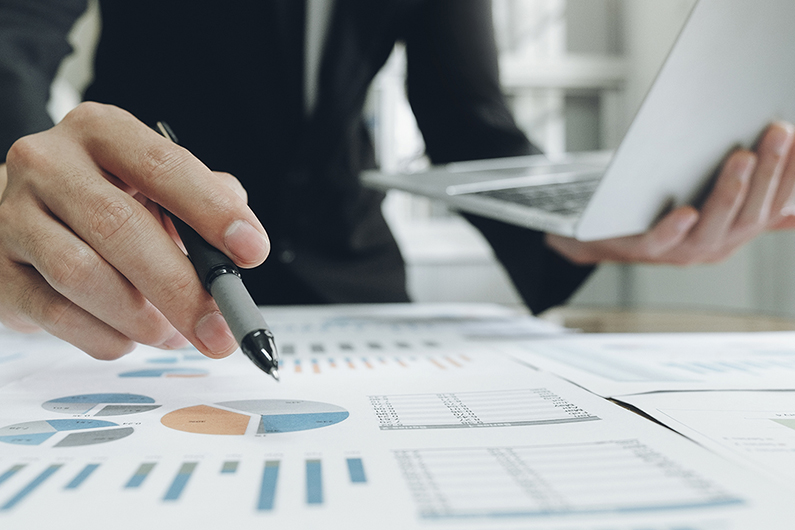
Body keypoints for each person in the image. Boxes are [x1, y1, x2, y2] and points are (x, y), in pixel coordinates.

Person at [1, 0, 794, 362]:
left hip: (360, 278)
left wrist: (586, 225)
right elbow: (15, 40)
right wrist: (16, 177)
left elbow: (468, 124)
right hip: (141, 280)